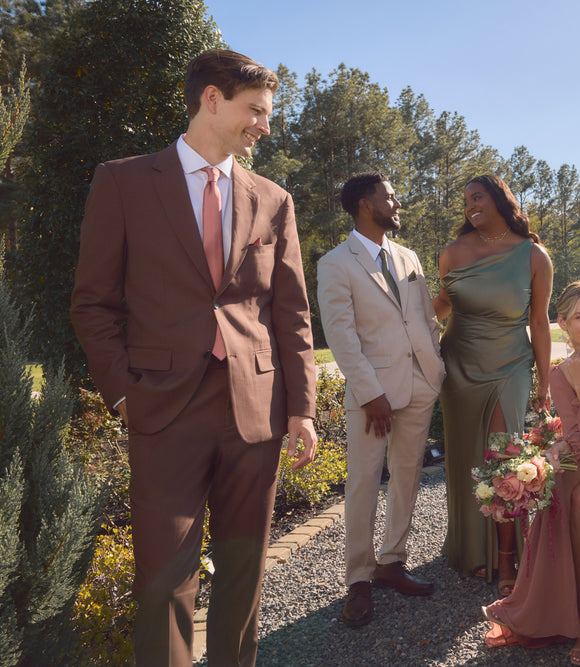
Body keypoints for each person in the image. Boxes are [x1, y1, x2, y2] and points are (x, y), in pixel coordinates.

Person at [70, 49, 317, 666]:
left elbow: (291, 313)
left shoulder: (274, 199)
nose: (265, 125)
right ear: (212, 99)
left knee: (244, 572)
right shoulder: (123, 182)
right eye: (255, 110)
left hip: (255, 410)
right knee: (162, 581)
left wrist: (303, 409)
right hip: (162, 408)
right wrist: (123, 393)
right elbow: (93, 304)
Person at [316, 172, 446, 628]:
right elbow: (341, 336)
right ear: (365, 205)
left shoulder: (408, 256)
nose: (397, 202)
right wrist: (371, 393)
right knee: (364, 482)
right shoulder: (335, 263)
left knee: (407, 476)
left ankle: (392, 561)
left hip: (419, 385)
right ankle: (359, 579)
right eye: (389, 196)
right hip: (372, 397)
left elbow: (425, 318)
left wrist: (434, 368)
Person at [481, 282, 580, 665]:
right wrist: (556, 449)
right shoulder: (560, 373)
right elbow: (579, 440)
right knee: (579, 497)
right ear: (563, 323)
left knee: (562, 478)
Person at [435, 174, 553, 595]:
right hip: (459, 367)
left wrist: (544, 382)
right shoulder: (452, 252)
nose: (470, 205)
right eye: (466, 200)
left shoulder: (534, 256)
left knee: (504, 456)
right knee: (467, 455)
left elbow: (539, 322)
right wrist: (397, 325)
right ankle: (469, 546)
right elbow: (443, 304)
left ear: (501, 199)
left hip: (510, 366)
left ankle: (506, 555)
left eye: (477, 197)